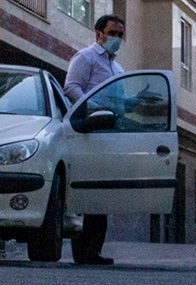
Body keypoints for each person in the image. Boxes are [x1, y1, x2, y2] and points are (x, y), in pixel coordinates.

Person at [63, 14, 126, 266]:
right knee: (90, 194)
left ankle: (94, 250)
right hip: (89, 133)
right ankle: (84, 252)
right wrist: (92, 108)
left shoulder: (117, 68)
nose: (117, 39)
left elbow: (118, 103)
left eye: (120, 35)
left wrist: (135, 102)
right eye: (113, 33)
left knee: (103, 196)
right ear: (98, 33)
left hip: (109, 136)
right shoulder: (85, 58)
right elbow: (71, 87)